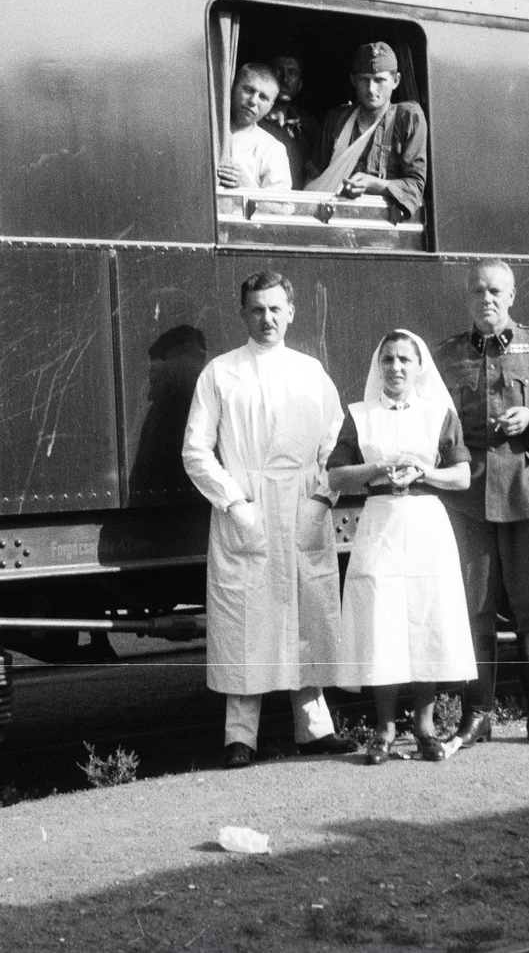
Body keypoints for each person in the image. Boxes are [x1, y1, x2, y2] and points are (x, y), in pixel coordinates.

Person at [182, 270, 356, 768]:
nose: (267, 319)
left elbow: (335, 441)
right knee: (247, 621)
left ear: (291, 312)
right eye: (257, 309)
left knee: (308, 612)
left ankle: (315, 727)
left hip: (303, 503)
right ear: (243, 314)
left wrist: (321, 499)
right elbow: (196, 450)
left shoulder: (309, 371)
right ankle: (240, 736)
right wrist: (235, 504)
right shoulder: (220, 373)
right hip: (248, 505)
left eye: (276, 309)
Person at [434, 261, 529, 749]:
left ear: (512, 296)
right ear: (467, 298)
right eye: (478, 291)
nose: (487, 298)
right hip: (469, 499)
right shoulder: (445, 355)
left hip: (528, 492)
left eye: (496, 290)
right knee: (473, 609)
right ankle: (477, 716)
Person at [327, 330, 475, 765]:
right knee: (382, 624)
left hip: (427, 523)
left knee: (424, 619)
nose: (395, 367)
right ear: (379, 366)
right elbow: (336, 476)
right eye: (388, 359)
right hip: (381, 524)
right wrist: (378, 467)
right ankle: (385, 728)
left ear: (418, 367)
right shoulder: (360, 416)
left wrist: (424, 472)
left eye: (404, 360)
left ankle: (425, 725)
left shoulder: (439, 414)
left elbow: (462, 476)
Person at [309, 42, 427, 220]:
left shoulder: (407, 118)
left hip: (384, 227)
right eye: (364, 80)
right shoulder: (336, 119)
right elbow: (313, 180)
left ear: (396, 81)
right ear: (352, 80)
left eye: (380, 80)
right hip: (332, 221)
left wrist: (372, 184)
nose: (371, 89)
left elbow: (415, 185)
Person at [217, 64, 292, 190]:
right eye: (249, 90)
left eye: (263, 97)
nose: (253, 101)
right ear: (233, 87)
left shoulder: (273, 149)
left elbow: (281, 208)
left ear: (270, 106)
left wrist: (247, 187)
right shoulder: (206, 130)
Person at [260, 53, 321, 189]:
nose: (285, 79)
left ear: (299, 85)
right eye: (278, 71)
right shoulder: (253, 122)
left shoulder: (308, 126)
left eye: (292, 73)